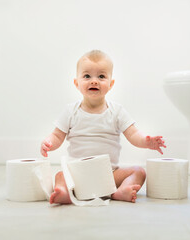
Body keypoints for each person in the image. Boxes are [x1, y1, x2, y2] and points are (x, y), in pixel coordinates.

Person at [40, 50, 166, 204]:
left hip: (109, 175)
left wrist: (146, 141)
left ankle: (119, 191)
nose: (94, 81)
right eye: (87, 76)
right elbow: (57, 136)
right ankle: (65, 192)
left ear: (111, 84)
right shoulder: (70, 111)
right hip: (78, 174)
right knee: (60, 175)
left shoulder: (117, 111)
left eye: (101, 76)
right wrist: (48, 142)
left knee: (139, 172)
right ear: (76, 83)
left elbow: (133, 134)